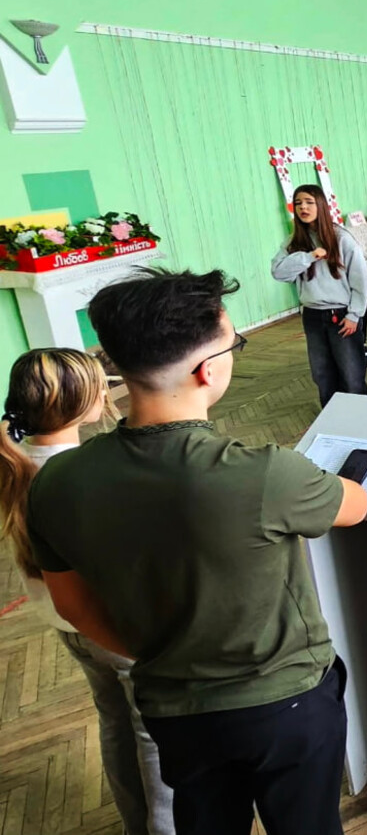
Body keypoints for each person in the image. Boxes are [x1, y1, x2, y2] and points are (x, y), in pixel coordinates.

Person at [27, 268, 367, 834]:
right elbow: (353, 506)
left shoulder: (56, 483)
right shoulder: (265, 473)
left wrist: (161, 656)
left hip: (172, 707)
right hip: (285, 703)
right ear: (208, 369)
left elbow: (74, 606)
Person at [1, 349, 175, 835]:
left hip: (66, 624)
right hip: (110, 628)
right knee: (152, 735)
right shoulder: (82, 475)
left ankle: (137, 824)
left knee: (115, 721)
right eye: (99, 385)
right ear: (78, 403)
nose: (106, 392)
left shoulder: (19, 460)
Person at [271, 184, 367, 407]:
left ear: (321, 205)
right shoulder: (294, 241)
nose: (303, 208)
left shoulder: (341, 238)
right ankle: (332, 421)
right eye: (298, 203)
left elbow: (362, 281)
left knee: (351, 376)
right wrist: (308, 257)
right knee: (322, 375)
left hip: (342, 315)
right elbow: (278, 272)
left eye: (309, 202)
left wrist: (354, 315)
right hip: (312, 315)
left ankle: (360, 419)